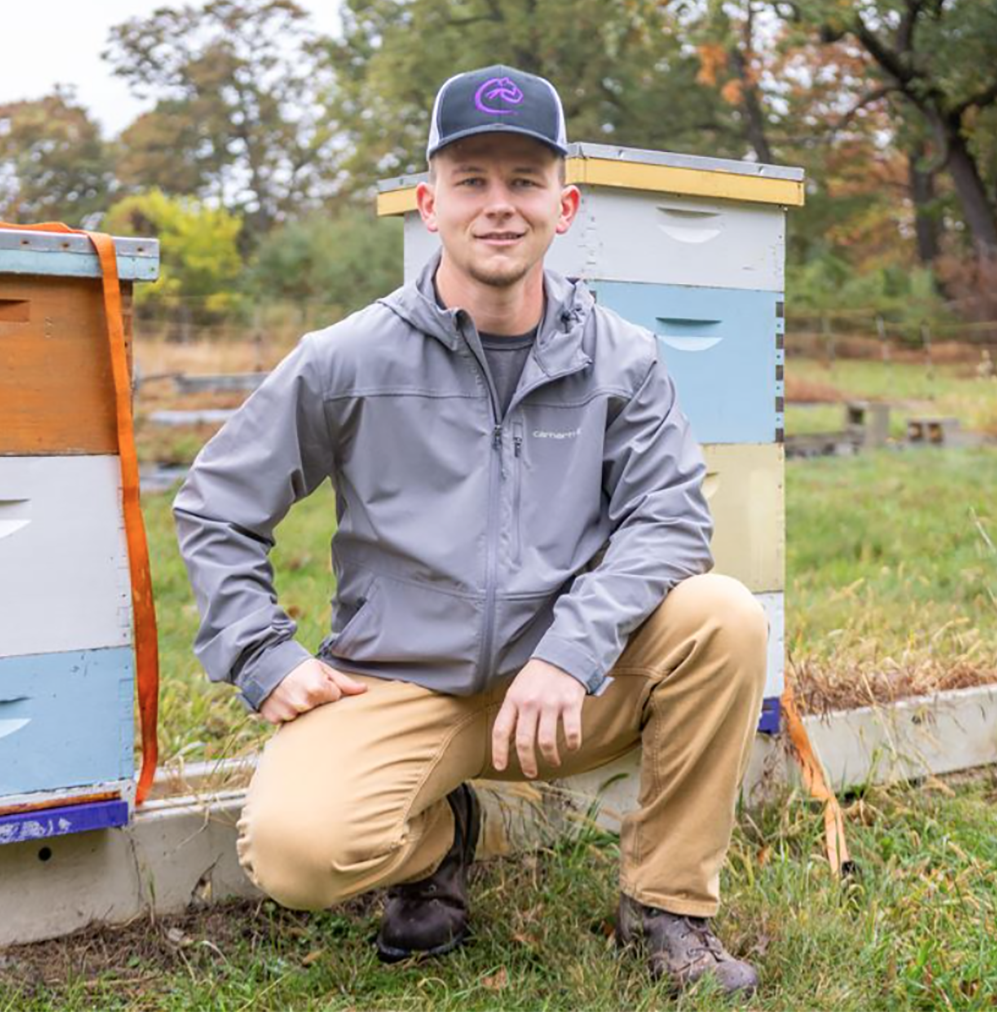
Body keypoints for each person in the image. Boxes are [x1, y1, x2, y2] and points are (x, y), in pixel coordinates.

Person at [172, 63, 769, 997]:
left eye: (525, 181)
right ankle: (437, 839)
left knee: (724, 616)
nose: (500, 206)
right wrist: (262, 653)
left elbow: (669, 519)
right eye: (472, 181)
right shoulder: (347, 357)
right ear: (429, 202)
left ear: (564, 206)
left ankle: (668, 907)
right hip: (402, 681)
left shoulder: (622, 357)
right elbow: (215, 503)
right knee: (295, 856)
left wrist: (571, 651)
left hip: (569, 690)